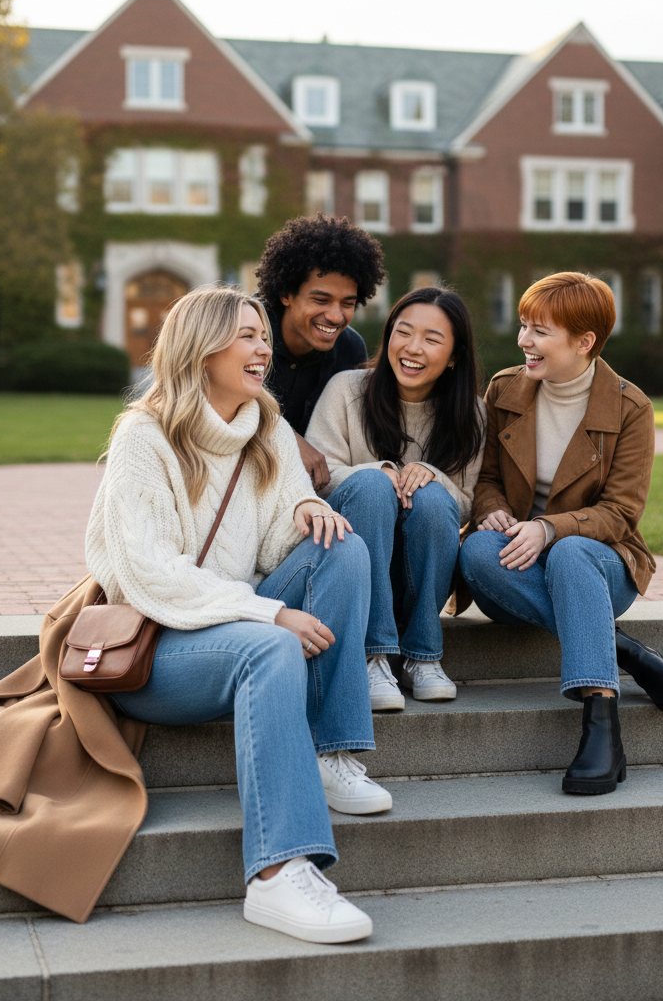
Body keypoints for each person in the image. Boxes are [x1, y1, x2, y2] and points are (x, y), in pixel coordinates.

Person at [86, 286, 391, 943]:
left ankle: (330, 752)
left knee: (343, 548)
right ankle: (278, 875)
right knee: (270, 646)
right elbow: (149, 573)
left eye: (263, 337)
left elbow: (275, 545)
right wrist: (268, 614)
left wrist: (304, 509)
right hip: (160, 651)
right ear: (202, 349)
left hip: (239, 627)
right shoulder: (144, 436)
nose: (263, 349)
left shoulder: (267, 427)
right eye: (247, 336)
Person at [459, 272, 663, 795]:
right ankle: (628, 653)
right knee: (474, 550)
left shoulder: (631, 407)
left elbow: (620, 512)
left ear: (584, 341)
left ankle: (602, 726)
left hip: (601, 564)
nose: (523, 340)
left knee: (570, 553)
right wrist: (493, 509)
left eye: (539, 331)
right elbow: (487, 477)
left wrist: (549, 528)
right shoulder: (503, 389)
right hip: (516, 569)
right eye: (524, 326)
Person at [305, 287, 486, 711]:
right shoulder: (346, 389)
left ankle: (423, 656)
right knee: (372, 487)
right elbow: (316, 479)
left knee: (432, 497)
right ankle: (372, 656)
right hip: (354, 563)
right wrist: (379, 472)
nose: (413, 348)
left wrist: (433, 476)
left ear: (454, 356)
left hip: (421, 572)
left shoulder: (472, 413)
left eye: (432, 339)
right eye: (403, 332)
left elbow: (466, 502)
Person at [255, 213, 386, 490]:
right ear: (286, 294)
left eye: (347, 303)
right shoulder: (243, 329)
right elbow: (213, 404)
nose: (336, 316)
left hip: (310, 491)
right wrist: (286, 438)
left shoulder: (351, 349)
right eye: (321, 300)